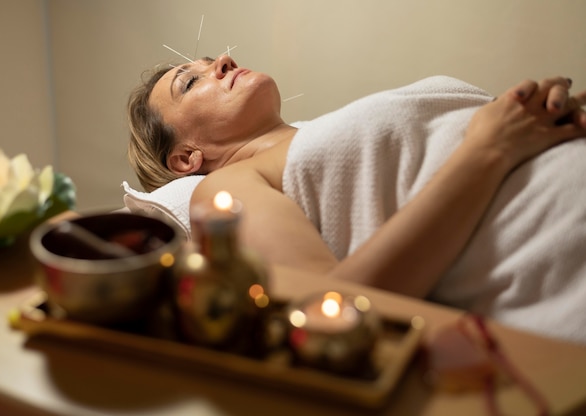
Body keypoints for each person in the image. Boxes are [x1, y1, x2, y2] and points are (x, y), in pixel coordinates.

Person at [127, 54, 586, 343]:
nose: (223, 61)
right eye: (191, 82)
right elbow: (333, 308)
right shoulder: (227, 187)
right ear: (186, 158)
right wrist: (489, 149)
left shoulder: (325, 130)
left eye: (210, 61)